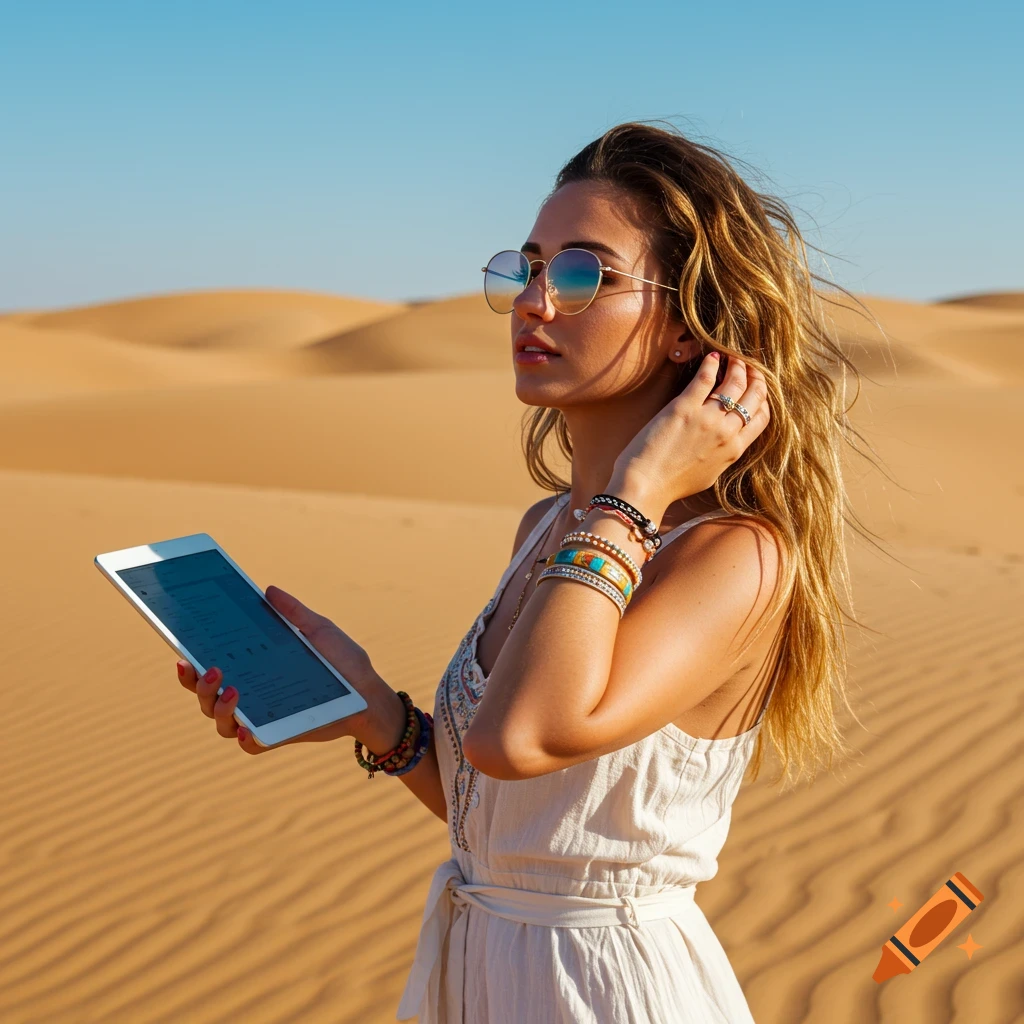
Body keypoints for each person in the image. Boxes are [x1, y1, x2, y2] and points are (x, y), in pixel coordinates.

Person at [177, 121, 861, 1023]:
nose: (536, 301)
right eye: (529, 268)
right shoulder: (551, 528)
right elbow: (513, 829)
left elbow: (522, 737)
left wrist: (641, 486)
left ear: (687, 330)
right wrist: (371, 709)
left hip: (612, 990)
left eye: (584, 275)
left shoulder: (735, 557)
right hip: (486, 972)